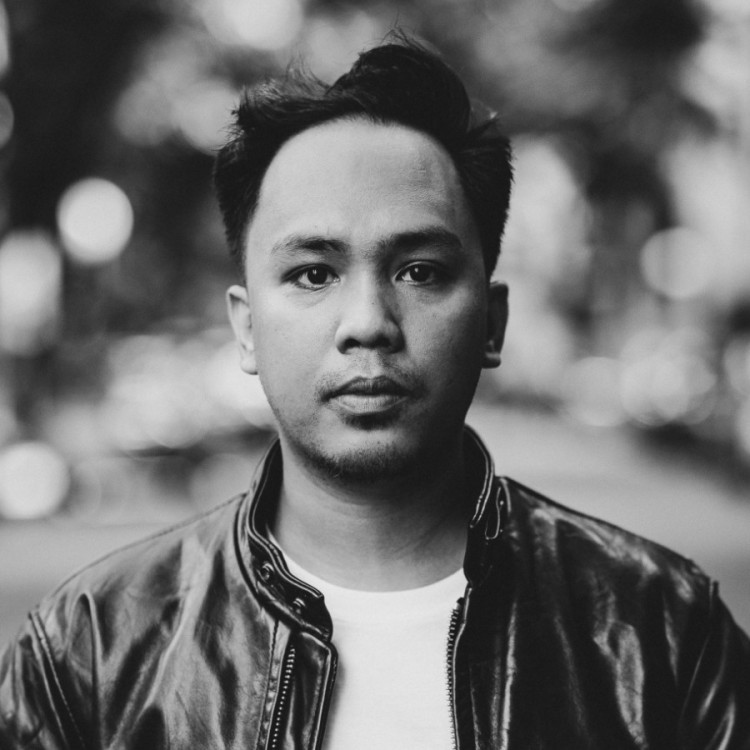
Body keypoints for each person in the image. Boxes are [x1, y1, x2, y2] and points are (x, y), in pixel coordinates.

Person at [1, 36, 748, 750]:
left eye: (420, 271)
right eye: (313, 274)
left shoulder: (666, 634)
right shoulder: (86, 654)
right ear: (247, 327)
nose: (367, 324)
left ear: (492, 323)